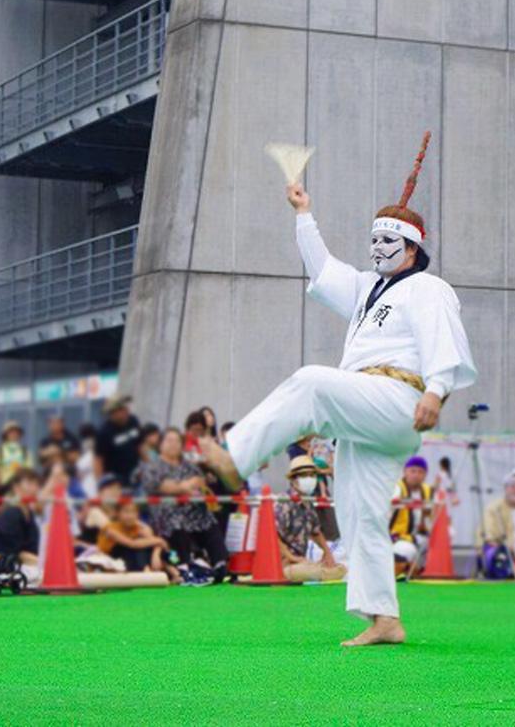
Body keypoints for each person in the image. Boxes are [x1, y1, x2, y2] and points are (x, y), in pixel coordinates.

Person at [198, 134, 476, 648]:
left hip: (398, 400)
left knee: (310, 382)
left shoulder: (428, 289)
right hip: (368, 412)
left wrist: (437, 391)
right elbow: (324, 270)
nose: (377, 250)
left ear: (414, 249)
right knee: (360, 513)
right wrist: (304, 214)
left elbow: (445, 341)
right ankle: (384, 618)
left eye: (388, 243)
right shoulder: (369, 291)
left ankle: (236, 457)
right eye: (373, 242)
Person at [137, 427, 228, 580]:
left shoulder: (189, 466)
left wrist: (183, 486)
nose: (173, 444)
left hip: (192, 508)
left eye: (177, 441)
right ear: (161, 444)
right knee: (176, 518)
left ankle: (220, 562)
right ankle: (185, 564)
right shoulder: (153, 467)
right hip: (165, 510)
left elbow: (200, 482)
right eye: (169, 440)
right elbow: (161, 486)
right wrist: (185, 486)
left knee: (207, 516)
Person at [276, 455, 346, 583]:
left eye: (312, 475)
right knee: (307, 571)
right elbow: (273, 536)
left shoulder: (308, 502)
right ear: (293, 479)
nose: (309, 479)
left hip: (301, 560)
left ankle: (318, 571)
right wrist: (291, 557)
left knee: (340, 568)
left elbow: (316, 532)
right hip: (283, 562)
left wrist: (328, 554)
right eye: (304, 475)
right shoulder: (284, 502)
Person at [98, 499, 177, 580]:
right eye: (126, 512)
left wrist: (156, 554)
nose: (130, 516)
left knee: (167, 547)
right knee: (136, 547)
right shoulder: (110, 529)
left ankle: (175, 572)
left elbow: (156, 543)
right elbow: (131, 544)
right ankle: (146, 570)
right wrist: (160, 540)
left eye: (133, 512)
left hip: (136, 554)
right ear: (117, 513)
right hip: (114, 557)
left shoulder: (138, 527)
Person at [0, 468, 42, 581]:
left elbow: (33, 549)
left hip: (25, 566)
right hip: (5, 569)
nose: (34, 487)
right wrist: (45, 563)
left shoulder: (30, 515)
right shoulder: (11, 515)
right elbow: (18, 554)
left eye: (36, 484)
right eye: (29, 483)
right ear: (16, 488)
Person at [390, 456, 433, 576]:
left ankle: (415, 568)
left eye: (420, 472)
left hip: (419, 537)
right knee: (405, 550)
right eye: (413, 471)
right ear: (405, 472)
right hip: (397, 537)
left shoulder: (427, 490)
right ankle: (403, 565)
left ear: (425, 475)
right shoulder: (397, 488)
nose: (416, 475)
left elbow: (431, 516)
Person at [95, 394, 143, 485]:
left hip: (135, 474)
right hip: (115, 478)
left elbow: (140, 446)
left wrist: (150, 466)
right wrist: (100, 483)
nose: (126, 412)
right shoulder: (104, 432)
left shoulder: (133, 421)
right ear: (113, 413)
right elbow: (98, 460)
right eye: (121, 410)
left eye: (126, 408)